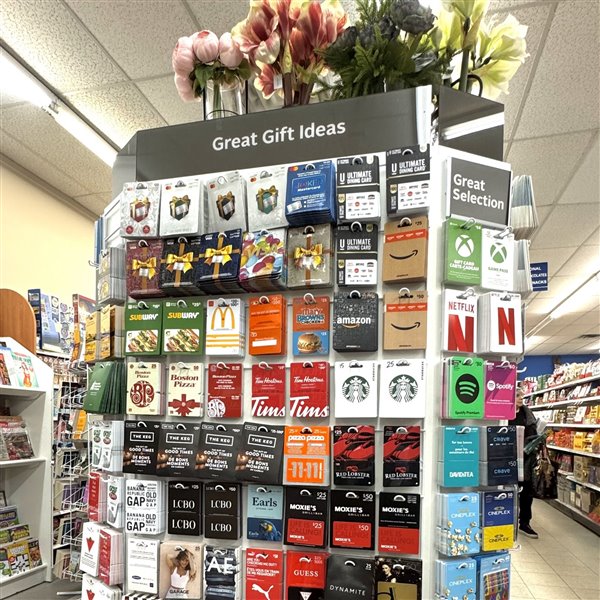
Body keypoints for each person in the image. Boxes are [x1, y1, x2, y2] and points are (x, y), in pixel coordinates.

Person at [509, 387, 539, 539]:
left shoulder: (527, 414)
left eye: (522, 395)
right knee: (508, 489)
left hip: (526, 458)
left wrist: (534, 442)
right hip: (508, 457)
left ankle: (525, 522)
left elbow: (533, 435)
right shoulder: (504, 414)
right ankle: (507, 520)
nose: (521, 398)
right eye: (517, 395)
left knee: (527, 492)